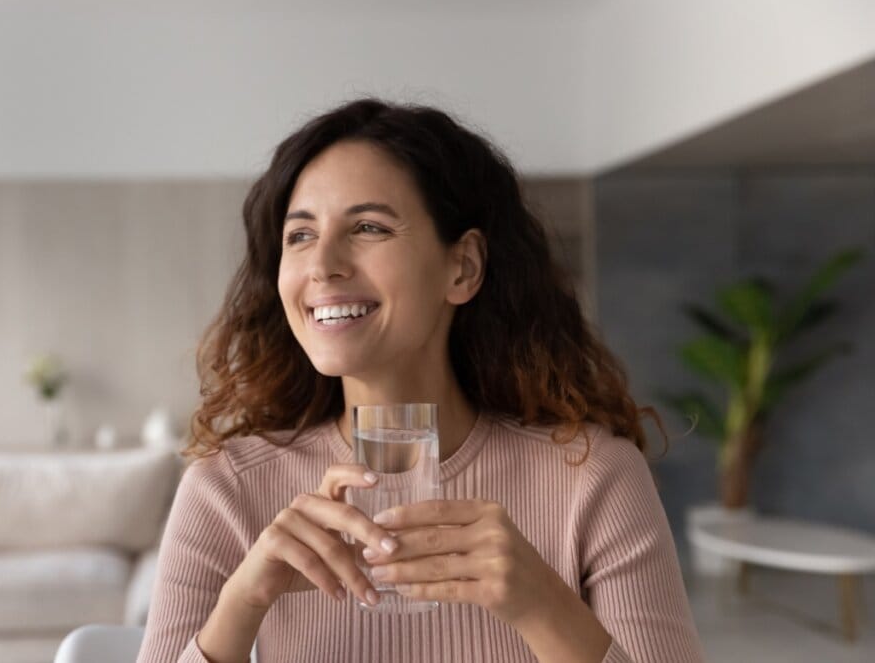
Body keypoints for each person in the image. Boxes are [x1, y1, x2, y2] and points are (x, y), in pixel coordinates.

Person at [136, 98, 705, 663]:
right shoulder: (227, 489)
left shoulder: (594, 478)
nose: (323, 264)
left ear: (463, 267)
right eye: (301, 235)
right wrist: (243, 602)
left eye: (367, 227)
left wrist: (542, 606)